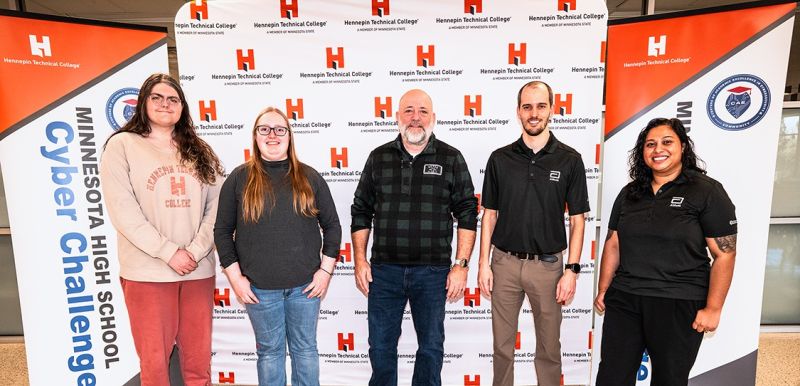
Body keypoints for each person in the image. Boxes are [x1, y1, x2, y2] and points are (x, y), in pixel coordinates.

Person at [100, 73, 224, 385]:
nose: (165, 104)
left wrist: (193, 252)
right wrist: (168, 252)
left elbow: (217, 209)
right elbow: (123, 211)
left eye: (173, 99)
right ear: (143, 103)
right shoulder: (122, 145)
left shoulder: (201, 150)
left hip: (197, 271)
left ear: (182, 107)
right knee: (155, 367)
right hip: (148, 273)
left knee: (198, 365)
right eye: (157, 97)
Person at [594, 118, 737, 386]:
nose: (658, 149)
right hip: (626, 299)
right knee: (612, 377)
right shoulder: (629, 193)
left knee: (669, 380)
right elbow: (613, 242)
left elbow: (725, 253)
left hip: (679, 301)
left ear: (682, 146)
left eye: (666, 142)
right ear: (643, 152)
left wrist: (713, 308)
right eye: (650, 144)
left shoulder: (706, 191)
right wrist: (604, 289)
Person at [351, 89, 478, 386]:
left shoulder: (451, 158)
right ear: (397, 117)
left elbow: (468, 212)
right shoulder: (378, 157)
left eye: (422, 111)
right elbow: (361, 210)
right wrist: (359, 260)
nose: (415, 117)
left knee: (431, 349)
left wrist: (460, 265)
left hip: (433, 273)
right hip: (384, 272)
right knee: (381, 348)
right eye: (408, 110)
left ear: (433, 118)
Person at [214, 107, 341, 386]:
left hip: (305, 288)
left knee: (305, 351)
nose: (272, 135)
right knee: (270, 354)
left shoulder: (310, 177)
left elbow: (333, 227)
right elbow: (222, 232)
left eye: (279, 129)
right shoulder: (238, 179)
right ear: (255, 137)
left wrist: (325, 272)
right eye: (265, 129)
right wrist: (236, 280)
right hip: (259, 290)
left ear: (289, 136)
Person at [477, 81, 589, 386]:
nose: (534, 113)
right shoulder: (500, 159)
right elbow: (489, 215)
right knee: (501, 349)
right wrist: (483, 264)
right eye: (527, 107)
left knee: (549, 349)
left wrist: (572, 271)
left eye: (541, 106)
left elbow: (578, 221)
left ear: (552, 109)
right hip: (504, 264)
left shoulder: (570, 159)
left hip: (549, 267)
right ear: (518, 112)